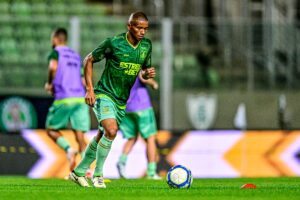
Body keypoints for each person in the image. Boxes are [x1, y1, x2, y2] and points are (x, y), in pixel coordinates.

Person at [69, 12, 156, 188]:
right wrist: (89, 89)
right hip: (104, 94)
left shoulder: (146, 46)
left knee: (103, 134)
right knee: (111, 130)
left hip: (122, 101)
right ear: (129, 26)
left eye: (145, 29)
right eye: (139, 27)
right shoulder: (114, 43)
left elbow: (143, 71)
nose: (142, 32)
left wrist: (146, 74)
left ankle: (78, 172)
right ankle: (98, 174)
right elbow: (88, 60)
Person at [45, 28, 91, 171]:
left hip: (64, 97)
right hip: (80, 98)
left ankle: (69, 150)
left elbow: (53, 67)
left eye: (52, 38)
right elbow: (84, 79)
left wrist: (50, 83)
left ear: (56, 39)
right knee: (80, 135)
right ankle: (87, 170)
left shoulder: (56, 52)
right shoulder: (76, 55)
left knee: (51, 129)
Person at [116, 73, 161, 179]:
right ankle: (151, 172)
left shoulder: (120, 62)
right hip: (142, 105)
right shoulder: (139, 59)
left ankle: (121, 162)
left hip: (126, 106)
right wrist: (154, 83)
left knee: (132, 138)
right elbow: (143, 78)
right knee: (150, 138)